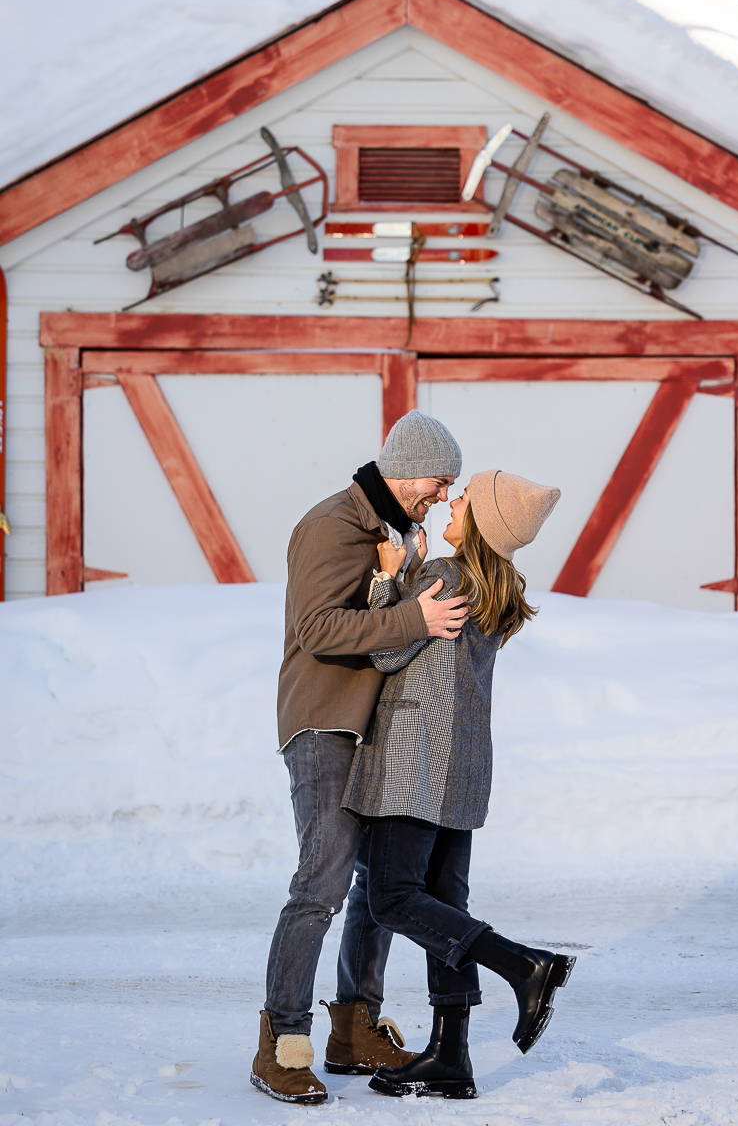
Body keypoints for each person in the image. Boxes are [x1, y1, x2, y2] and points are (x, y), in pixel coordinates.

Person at [252, 411, 470, 1105]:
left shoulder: (390, 533)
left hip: (373, 730)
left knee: (378, 890)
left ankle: (353, 1029)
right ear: (407, 468)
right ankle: (281, 1045)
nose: (440, 497)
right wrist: (416, 617)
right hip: (324, 724)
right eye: (438, 483)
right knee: (320, 885)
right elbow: (316, 629)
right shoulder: (333, 524)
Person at [341, 470, 575, 1101]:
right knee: (445, 903)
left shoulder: (445, 575)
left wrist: (389, 578)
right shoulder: (500, 590)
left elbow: (386, 652)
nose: (452, 501)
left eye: (465, 498)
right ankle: (451, 1054)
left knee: (391, 897)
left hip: (414, 767)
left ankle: (525, 965)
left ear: (485, 522)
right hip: (463, 769)